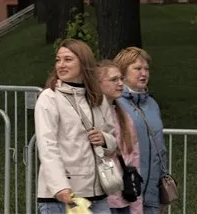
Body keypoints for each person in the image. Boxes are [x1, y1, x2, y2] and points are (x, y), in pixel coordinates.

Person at [34, 38, 117, 214]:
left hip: (97, 194)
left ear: (84, 62)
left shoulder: (97, 98)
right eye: (58, 60)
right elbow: (47, 146)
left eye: (68, 59)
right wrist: (60, 187)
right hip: (62, 197)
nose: (61, 65)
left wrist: (104, 139)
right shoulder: (49, 98)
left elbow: (113, 139)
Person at [114, 47, 168, 214]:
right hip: (126, 190)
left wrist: (162, 183)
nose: (143, 73)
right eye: (137, 69)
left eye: (146, 69)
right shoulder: (114, 103)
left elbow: (160, 147)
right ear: (122, 72)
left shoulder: (152, 104)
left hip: (151, 190)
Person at [96, 60, 143, 214]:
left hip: (124, 196)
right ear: (98, 83)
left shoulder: (123, 115)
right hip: (101, 196)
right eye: (114, 79)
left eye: (121, 78)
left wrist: (136, 206)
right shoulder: (92, 115)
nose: (120, 83)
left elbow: (134, 157)